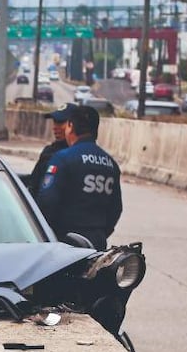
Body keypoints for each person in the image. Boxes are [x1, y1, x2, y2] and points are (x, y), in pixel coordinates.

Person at [35, 105, 122, 250]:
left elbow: (47, 202)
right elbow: (116, 209)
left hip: (65, 243)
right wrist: (99, 233)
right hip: (97, 244)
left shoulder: (63, 158)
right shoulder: (111, 164)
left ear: (70, 126)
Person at [26, 104, 74, 198]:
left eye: (60, 122)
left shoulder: (78, 154)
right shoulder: (48, 151)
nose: (55, 127)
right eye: (55, 122)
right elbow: (34, 183)